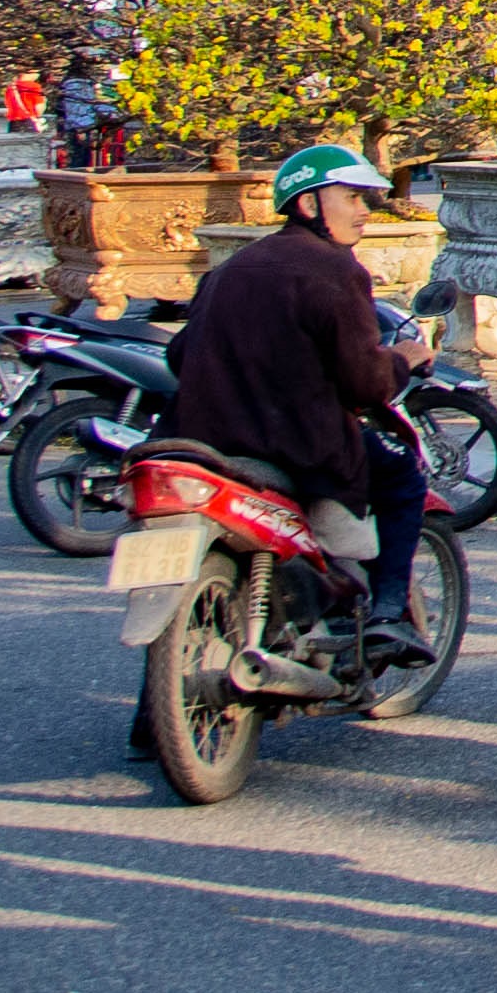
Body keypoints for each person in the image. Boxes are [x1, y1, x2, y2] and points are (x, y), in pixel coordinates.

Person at [159, 142, 437, 674]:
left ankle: (154, 723)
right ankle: (385, 616)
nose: (365, 210)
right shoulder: (334, 270)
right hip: (296, 447)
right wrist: (401, 359)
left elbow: (179, 353)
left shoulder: (231, 268)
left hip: (201, 442)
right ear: (309, 205)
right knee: (401, 474)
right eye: (353, 197)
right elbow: (364, 383)